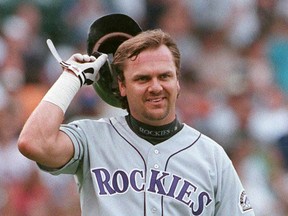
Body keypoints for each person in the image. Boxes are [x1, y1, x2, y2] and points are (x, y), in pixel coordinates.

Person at [18, 16, 255, 216]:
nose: (155, 87)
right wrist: (71, 78)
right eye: (142, 78)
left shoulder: (211, 157)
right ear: (122, 85)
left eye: (164, 76)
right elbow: (34, 143)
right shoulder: (92, 138)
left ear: (177, 81)